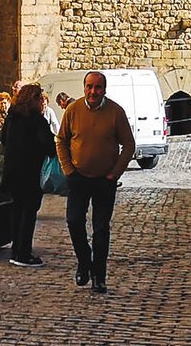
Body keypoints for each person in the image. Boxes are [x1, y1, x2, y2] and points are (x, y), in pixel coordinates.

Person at [56, 71, 136, 293]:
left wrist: (114, 174)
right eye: (89, 87)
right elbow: (61, 140)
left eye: (98, 87)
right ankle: (84, 261)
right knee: (74, 222)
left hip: (104, 180)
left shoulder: (115, 112)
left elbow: (129, 145)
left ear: (104, 89)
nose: (93, 91)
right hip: (78, 178)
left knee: (101, 229)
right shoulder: (73, 110)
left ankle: (99, 276)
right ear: (84, 88)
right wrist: (68, 169)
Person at [2, 83, 57, 267]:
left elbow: (3, 140)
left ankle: (16, 248)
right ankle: (23, 253)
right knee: (29, 212)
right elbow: (49, 146)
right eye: (40, 98)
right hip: (31, 172)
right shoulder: (37, 121)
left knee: (17, 211)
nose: (42, 102)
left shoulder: (12, 117)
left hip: (12, 170)